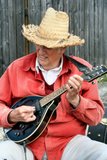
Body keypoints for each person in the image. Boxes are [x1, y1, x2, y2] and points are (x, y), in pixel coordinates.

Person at [0, 7, 107, 160]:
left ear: (62, 48)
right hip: (25, 144)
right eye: (38, 44)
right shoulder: (17, 68)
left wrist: (76, 101)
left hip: (68, 143)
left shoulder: (81, 70)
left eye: (48, 46)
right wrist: (10, 115)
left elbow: (96, 117)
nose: (41, 51)